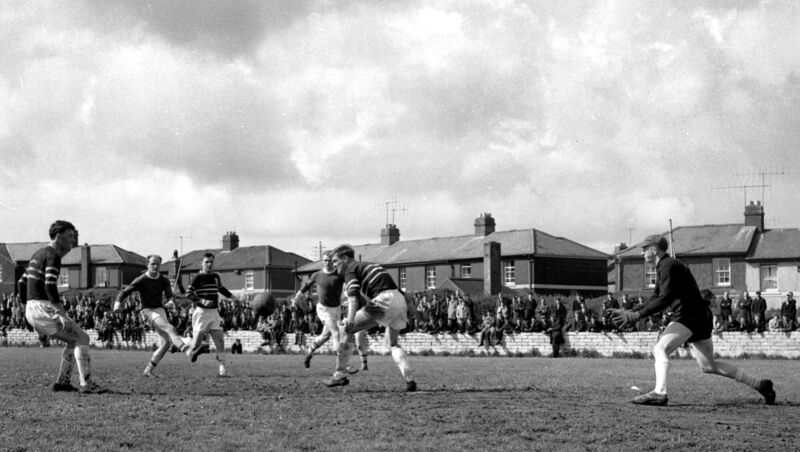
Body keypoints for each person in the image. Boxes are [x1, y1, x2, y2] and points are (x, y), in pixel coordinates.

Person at [610, 235, 775, 406]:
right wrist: (631, 311)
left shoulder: (667, 266)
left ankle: (660, 393)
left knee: (660, 349)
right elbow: (655, 297)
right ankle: (760, 384)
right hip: (700, 316)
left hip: (688, 315)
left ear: (654, 249)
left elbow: (664, 299)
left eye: (644, 248)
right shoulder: (666, 266)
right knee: (708, 366)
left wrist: (637, 316)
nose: (642, 252)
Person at [18, 220, 108, 393]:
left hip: (32, 307)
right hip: (43, 306)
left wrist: (25, 312)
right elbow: (49, 285)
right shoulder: (53, 255)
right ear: (58, 237)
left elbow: (21, 283)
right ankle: (87, 384)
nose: (72, 242)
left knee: (74, 341)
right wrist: (61, 314)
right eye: (69, 237)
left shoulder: (38, 253)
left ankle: (63, 383)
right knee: (82, 338)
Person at [323, 244, 418, 391]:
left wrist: (349, 319)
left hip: (384, 300)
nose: (334, 266)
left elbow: (353, 299)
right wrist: (418, 314)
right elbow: (404, 295)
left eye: (335, 261)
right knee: (392, 343)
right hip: (399, 301)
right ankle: (409, 378)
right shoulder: (370, 265)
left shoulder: (350, 270)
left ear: (345, 259)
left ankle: (340, 374)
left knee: (344, 329)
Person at [113, 254, 202, 377]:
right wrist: (117, 305)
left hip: (160, 310)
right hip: (147, 311)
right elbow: (124, 291)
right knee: (170, 328)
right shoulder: (141, 279)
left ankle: (148, 371)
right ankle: (188, 352)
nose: (155, 266)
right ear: (147, 265)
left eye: (157, 264)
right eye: (152, 264)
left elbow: (170, 295)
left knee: (166, 343)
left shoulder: (164, 280)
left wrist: (170, 302)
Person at [293, 251, 348, 369]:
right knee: (336, 333)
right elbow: (306, 286)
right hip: (324, 309)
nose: (327, 262)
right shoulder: (317, 275)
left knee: (325, 336)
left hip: (336, 309)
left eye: (330, 260)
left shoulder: (339, 275)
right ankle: (342, 364)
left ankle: (309, 351)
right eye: (325, 260)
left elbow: (348, 286)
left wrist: (348, 296)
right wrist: (297, 297)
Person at [185, 252, 237, 377]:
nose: (209, 264)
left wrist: (232, 297)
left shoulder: (215, 276)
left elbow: (220, 288)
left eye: (211, 262)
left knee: (220, 341)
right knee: (196, 344)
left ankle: (222, 368)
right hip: (201, 313)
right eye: (206, 262)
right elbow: (188, 294)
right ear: (202, 263)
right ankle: (186, 345)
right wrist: (202, 301)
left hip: (214, 313)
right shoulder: (197, 277)